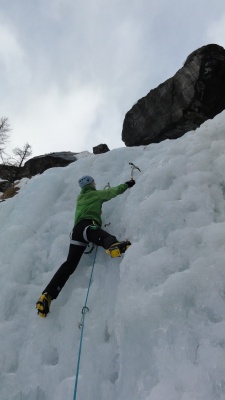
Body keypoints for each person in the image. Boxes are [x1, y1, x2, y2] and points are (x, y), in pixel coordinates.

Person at [36, 175, 135, 317]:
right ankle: (113, 246)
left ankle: (47, 295)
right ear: (91, 184)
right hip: (88, 227)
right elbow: (113, 192)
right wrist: (127, 184)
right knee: (105, 238)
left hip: (76, 233)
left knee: (69, 265)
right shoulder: (97, 194)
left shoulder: (80, 198)